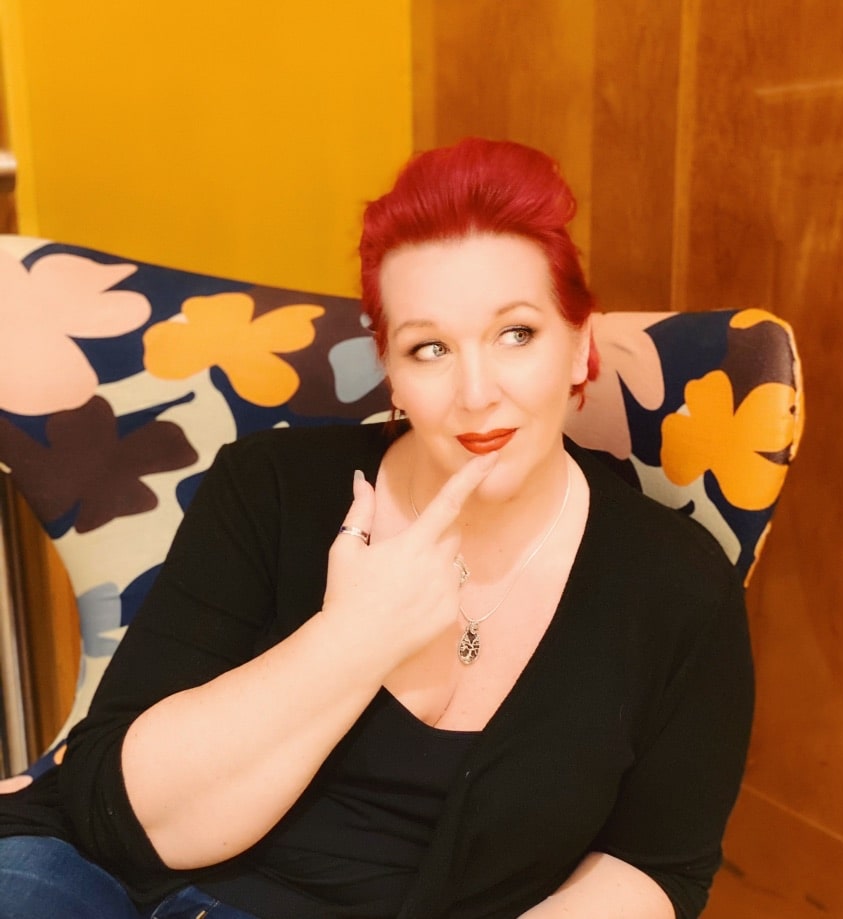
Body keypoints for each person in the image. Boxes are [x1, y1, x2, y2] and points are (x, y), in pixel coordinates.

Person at [0, 137, 753, 919]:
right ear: (392, 370)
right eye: (429, 348)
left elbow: (656, 865)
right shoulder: (269, 488)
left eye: (516, 333)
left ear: (579, 346)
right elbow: (117, 814)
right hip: (105, 881)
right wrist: (352, 640)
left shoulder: (678, 588)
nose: (476, 391)